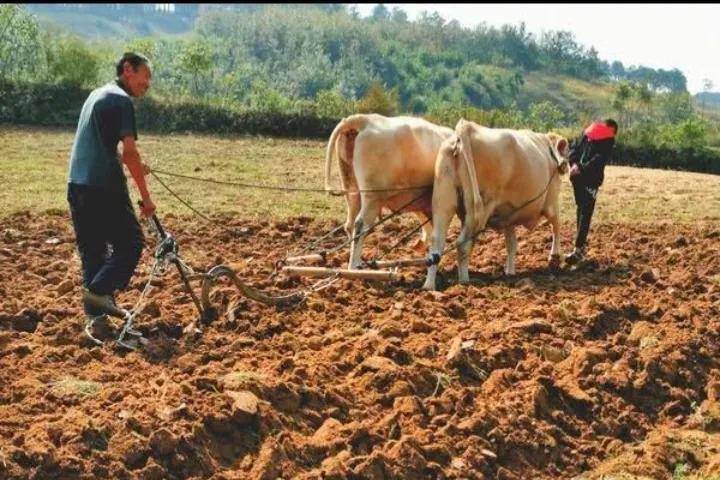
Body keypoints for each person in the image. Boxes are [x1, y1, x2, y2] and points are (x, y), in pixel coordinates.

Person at [66, 52, 156, 336]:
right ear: (128, 69)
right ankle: (97, 293)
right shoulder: (121, 99)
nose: (147, 84)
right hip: (103, 186)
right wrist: (146, 198)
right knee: (131, 242)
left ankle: (96, 322)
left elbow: (105, 145)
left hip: (77, 184)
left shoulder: (97, 94)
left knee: (94, 251)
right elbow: (129, 153)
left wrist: (133, 163)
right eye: (146, 76)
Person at [564, 118, 618, 265]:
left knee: (581, 210)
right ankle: (579, 248)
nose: (611, 135)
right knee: (585, 212)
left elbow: (573, 150)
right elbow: (599, 160)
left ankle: (579, 246)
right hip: (590, 181)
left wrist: (575, 166)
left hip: (577, 178)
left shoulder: (586, 134)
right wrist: (578, 167)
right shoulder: (607, 141)